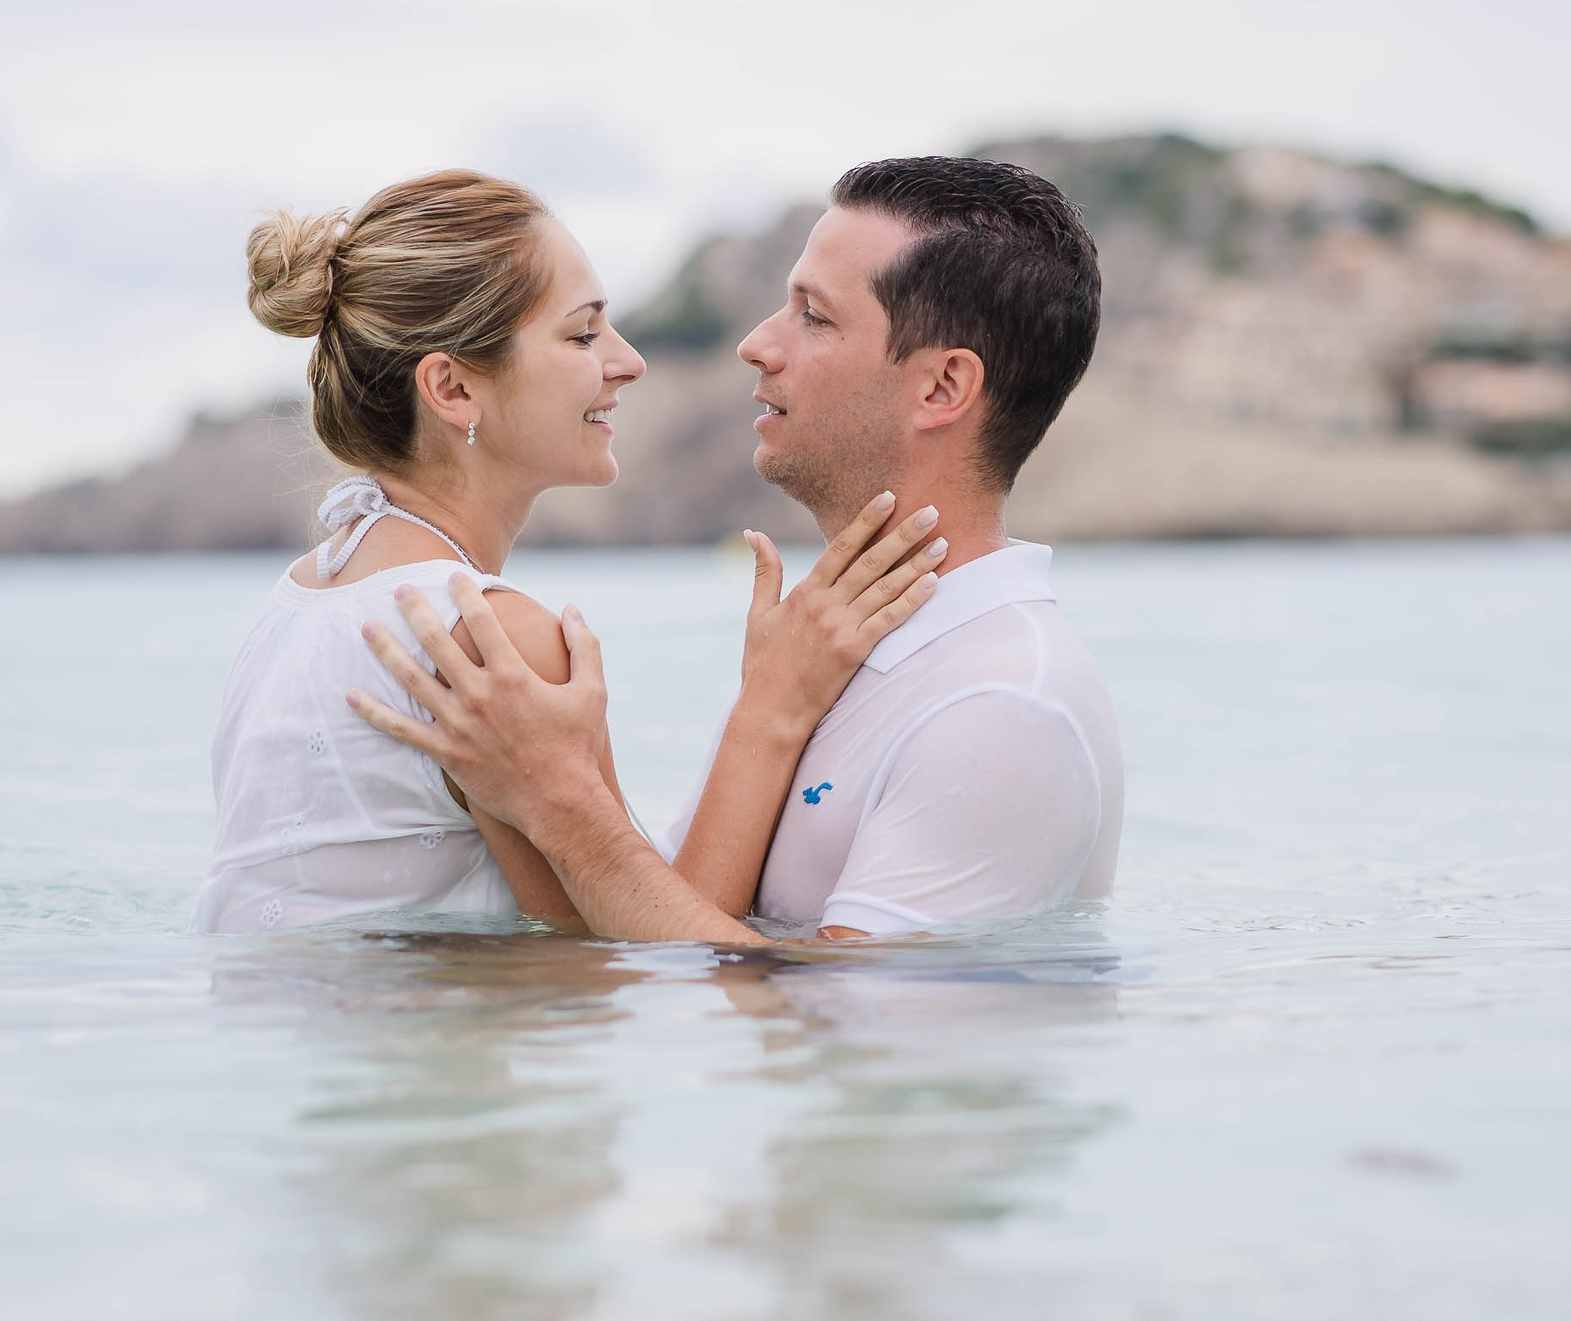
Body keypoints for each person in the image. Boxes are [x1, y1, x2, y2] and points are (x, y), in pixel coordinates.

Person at [347, 156, 1124, 943]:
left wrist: (558, 801)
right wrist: (765, 710)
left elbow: (833, 1030)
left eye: (813, 317)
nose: (757, 343)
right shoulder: (814, 653)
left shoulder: (1000, 704)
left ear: (941, 388)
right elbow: (680, 920)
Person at [192, 169, 943, 935]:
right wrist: (774, 702)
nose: (628, 361)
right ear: (452, 390)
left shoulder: (303, 592)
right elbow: (644, 957)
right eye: (583, 333)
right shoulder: (493, 641)